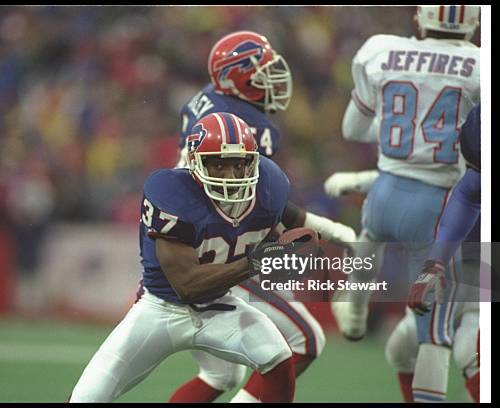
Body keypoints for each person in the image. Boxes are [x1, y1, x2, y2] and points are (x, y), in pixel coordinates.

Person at [69, 112, 309, 403]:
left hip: (219, 306)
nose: (230, 175)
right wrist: (258, 261)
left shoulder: (269, 186)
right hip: (162, 309)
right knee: (87, 398)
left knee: (278, 358)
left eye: (238, 163)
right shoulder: (171, 193)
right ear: (195, 163)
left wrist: (287, 249)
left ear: (252, 162)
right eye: (218, 164)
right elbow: (188, 285)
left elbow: (275, 232)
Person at [171, 31, 356, 403]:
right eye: (262, 73)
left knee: (220, 374)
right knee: (306, 339)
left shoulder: (204, 99)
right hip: (221, 248)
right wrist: (327, 228)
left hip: (185, 240)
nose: (273, 80)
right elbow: (258, 204)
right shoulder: (250, 124)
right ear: (237, 77)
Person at [330, 5, 480, 402]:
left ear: (420, 18)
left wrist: (407, 132)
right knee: (435, 335)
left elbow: (352, 128)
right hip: (442, 206)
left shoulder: (381, 49)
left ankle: (356, 311)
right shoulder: (480, 65)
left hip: (386, 193)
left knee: (369, 238)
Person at [405, 103, 481, 402]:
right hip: (476, 256)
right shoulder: (479, 130)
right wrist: (435, 263)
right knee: (469, 344)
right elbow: (470, 192)